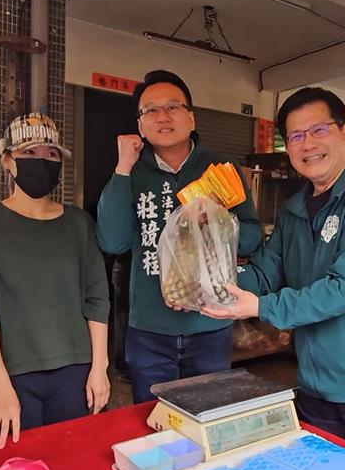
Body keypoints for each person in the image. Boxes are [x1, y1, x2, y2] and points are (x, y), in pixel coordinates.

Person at [201, 87, 345, 470]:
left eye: (318, 130)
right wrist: (207, 287)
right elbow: (264, 272)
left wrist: (261, 306)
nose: (308, 144)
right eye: (296, 136)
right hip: (315, 384)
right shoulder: (294, 209)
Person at [96, 70, 262, 403]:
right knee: (152, 424)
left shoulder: (219, 168)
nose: (163, 116)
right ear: (140, 125)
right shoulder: (131, 172)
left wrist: (216, 226)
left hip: (210, 326)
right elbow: (112, 241)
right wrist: (122, 168)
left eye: (173, 106)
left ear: (191, 118)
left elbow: (252, 235)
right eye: (151, 110)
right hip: (148, 330)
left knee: (208, 418)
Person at [0, 112, 110, 448]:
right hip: (11, 376)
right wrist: (0, 388)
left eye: (51, 154)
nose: (41, 160)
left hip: (76, 373)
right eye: (30, 153)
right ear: (8, 161)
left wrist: (100, 368)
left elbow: (97, 298)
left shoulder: (79, 224)